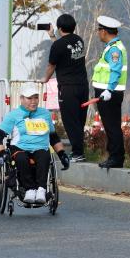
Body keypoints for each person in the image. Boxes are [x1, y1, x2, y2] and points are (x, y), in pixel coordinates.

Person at [0, 84, 70, 203]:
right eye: (30, 98)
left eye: (36, 98)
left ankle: (41, 189)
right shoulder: (14, 115)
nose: (33, 101)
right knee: (21, 158)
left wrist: (62, 154)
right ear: (22, 98)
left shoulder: (45, 114)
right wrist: (2, 152)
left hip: (41, 148)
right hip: (20, 147)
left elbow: (53, 136)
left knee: (45, 156)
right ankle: (29, 189)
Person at [42, 13, 88, 161]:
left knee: (70, 120)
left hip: (68, 88)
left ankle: (78, 153)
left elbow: (51, 65)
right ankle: (79, 151)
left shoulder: (58, 45)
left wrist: (45, 79)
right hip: (82, 86)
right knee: (79, 120)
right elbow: (64, 50)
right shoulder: (78, 41)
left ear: (59, 28)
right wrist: (52, 37)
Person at [91, 16, 127, 169]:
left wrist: (109, 90)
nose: (98, 33)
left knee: (112, 126)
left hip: (109, 93)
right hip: (107, 92)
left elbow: (116, 70)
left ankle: (116, 158)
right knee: (110, 125)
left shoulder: (114, 49)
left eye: (99, 30)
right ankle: (114, 156)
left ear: (104, 31)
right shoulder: (112, 46)